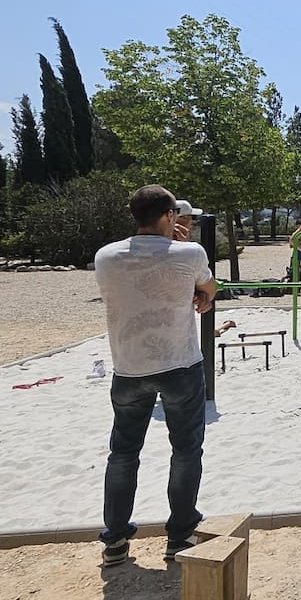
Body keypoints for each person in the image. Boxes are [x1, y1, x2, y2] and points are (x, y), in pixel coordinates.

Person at [94, 185, 217, 566]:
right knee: (185, 450)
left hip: (128, 366)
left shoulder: (106, 256)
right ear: (168, 216)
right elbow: (207, 289)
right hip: (179, 362)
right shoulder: (189, 252)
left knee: (124, 452)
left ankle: (115, 538)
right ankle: (179, 534)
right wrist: (200, 293)